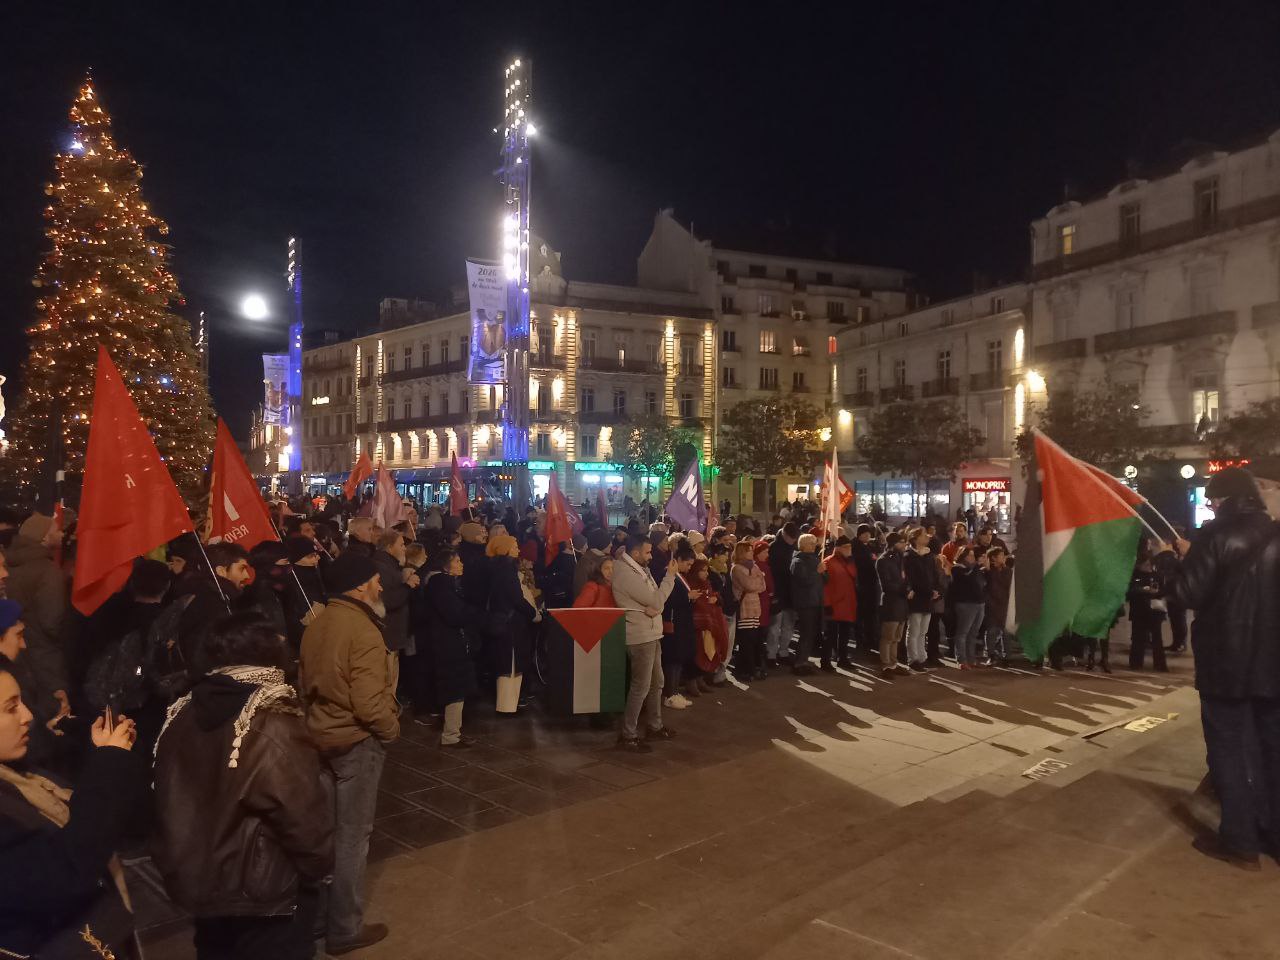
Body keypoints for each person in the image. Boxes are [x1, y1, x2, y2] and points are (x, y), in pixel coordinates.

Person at [153, 613, 334, 960]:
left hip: (202, 885)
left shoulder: (181, 714)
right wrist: (319, 868)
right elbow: (300, 812)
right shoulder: (271, 719)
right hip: (263, 893)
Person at [1166, 466, 1280, 870]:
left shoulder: (1216, 535)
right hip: (1273, 664)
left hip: (1227, 663)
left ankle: (1240, 839)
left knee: (1228, 749)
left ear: (1226, 499)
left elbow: (1186, 593)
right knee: (1272, 750)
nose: (1210, 506)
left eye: (1213, 499)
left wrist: (1175, 560)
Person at [0, 659, 141, 959]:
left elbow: (72, 821)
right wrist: (108, 764)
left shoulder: (18, 774)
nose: (27, 716)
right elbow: (62, 872)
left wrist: (102, 755)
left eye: (22, 702)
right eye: (10, 708)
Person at [300, 552, 398, 953]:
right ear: (360, 585)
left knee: (324, 835)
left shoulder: (316, 623)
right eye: (375, 579)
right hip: (355, 742)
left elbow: (304, 681)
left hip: (319, 736)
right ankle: (344, 927)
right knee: (352, 838)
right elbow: (369, 703)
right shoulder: (362, 630)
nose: (380, 586)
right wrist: (391, 731)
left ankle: (318, 920)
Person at [3, 512, 70, 740]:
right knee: (52, 721)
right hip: (45, 658)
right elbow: (53, 622)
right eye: (56, 531)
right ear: (43, 538)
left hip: (18, 656)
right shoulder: (48, 572)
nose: (61, 534)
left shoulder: (12, 564)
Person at [611, 533, 678, 751]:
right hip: (640, 636)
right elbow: (656, 599)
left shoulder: (639, 568)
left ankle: (654, 726)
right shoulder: (626, 574)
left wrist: (656, 605)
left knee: (657, 683)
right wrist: (670, 577)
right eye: (648, 552)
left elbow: (655, 601)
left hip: (652, 633)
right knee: (640, 686)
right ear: (636, 552)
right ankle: (628, 734)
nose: (651, 557)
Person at [421, 548, 482, 749]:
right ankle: (451, 735)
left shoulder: (447, 585)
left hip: (453, 643)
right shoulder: (442, 587)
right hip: (449, 645)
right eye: (456, 561)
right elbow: (455, 615)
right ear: (446, 566)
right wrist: (472, 612)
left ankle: (453, 731)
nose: (461, 564)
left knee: (457, 688)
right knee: (454, 688)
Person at [485, 534, 538, 690]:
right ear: (505, 550)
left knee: (505, 662)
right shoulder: (508, 570)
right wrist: (532, 611)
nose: (518, 549)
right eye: (514, 547)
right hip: (510, 624)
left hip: (501, 620)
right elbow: (516, 597)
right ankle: (508, 705)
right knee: (511, 663)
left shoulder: (495, 567)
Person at [661, 544, 698, 709]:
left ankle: (674, 692)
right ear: (679, 559)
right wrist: (688, 597)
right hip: (674, 624)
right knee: (673, 660)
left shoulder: (679, 576)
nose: (689, 568)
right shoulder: (669, 575)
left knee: (678, 660)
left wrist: (689, 597)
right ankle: (670, 694)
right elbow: (666, 599)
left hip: (681, 624)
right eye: (688, 564)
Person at [903, 528, 939, 672]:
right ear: (915, 538)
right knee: (914, 630)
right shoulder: (909, 556)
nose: (927, 538)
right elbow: (912, 578)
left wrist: (937, 590)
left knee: (923, 630)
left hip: (928, 597)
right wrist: (925, 590)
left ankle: (922, 658)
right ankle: (913, 659)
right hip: (917, 597)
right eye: (924, 536)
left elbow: (934, 575)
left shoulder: (929, 555)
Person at [789, 534, 825, 675]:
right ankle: (799, 663)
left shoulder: (815, 559)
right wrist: (817, 572)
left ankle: (804, 660)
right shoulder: (798, 561)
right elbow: (804, 581)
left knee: (811, 634)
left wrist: (823, 573)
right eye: (810, 543)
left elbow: (823, 579)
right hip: (806, 602)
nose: (813, 545)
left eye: (814, 543)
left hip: (816, 600)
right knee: (806, 634)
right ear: (802, 545)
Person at [731, 541, 767, 681]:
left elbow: (762, 586)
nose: (752, 553)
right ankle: (746, 670)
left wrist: (756, 580)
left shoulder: (755, 566)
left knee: (754, 640)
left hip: (755, 608)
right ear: (742, 552)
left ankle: (750, 668)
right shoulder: (737, 569)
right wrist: (757, 578)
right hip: (744, 607)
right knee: (746, 641)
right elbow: (750, 585)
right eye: (749, 551)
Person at [877, 533, 911, 678]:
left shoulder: (900, 559)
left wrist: (909, 588)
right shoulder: (884, 560)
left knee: (897, 637)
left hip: (902, 602)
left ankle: (893, 663)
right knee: (888, 636)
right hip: (891, 602)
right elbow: (887, 584)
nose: (904, 545)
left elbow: (905, 577)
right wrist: (904, 590)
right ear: (893, 543)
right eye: (901, 542)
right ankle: (886, 665)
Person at [1127, 555, 1168, 672]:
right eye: (1145, 564)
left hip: (1155, 611)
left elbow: (1164, 591)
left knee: (1157, 639)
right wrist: (1142, 590)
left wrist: (1156, 592)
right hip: (1139, 610)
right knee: (1138, 638)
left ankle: (1160, 665)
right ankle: (1135, 663)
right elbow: (1129, 591)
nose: (1148, 567)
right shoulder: (1135, 575)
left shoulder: (1158, 575)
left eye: (1149, 564)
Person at [766, 523, 799, 665]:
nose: (793, 541)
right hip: (778, 592)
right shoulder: (773, 548)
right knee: (774, 627)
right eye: (791, 538)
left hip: (791, 593)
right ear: (784, 534)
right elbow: (772, 573)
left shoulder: (795, 547)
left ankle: (784, 651)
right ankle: (771, 654)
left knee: (788, 625)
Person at [823, 536, 858, 670]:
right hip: (834, 604)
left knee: (844, 635)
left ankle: (842, 658)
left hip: (847, 603)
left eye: (850, 547)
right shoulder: (828, 562)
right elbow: (824, 586)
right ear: (838, 548)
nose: (849, 550)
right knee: (830, 635)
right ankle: (825, 661)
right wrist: (826, 604)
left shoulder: (849, 562)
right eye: (846, 547)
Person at [950, 547, 986, 669]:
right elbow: (968, 580)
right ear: (963, 556)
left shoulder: (974, 569)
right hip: (966, 604)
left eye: (972, 555)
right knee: (963, 632)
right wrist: (977, 566)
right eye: (970, 555)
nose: (972, 557)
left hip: (979, 603)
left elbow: (981, 583)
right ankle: (962, 660)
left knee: (973, 633)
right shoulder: (957, 569)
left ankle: (971, 659)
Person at [983, 547, 1013, 666]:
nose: (1003, 557)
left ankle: (1007, 657)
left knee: (1006, 633)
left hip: (1005, 605)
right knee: (991, 632)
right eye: (1001, 555)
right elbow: (990, 586)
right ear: (994, 558)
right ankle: (991, 655)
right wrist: (989, 570)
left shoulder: (1007, 571)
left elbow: (1008, 585)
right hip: (992, 605)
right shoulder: (988, 571)